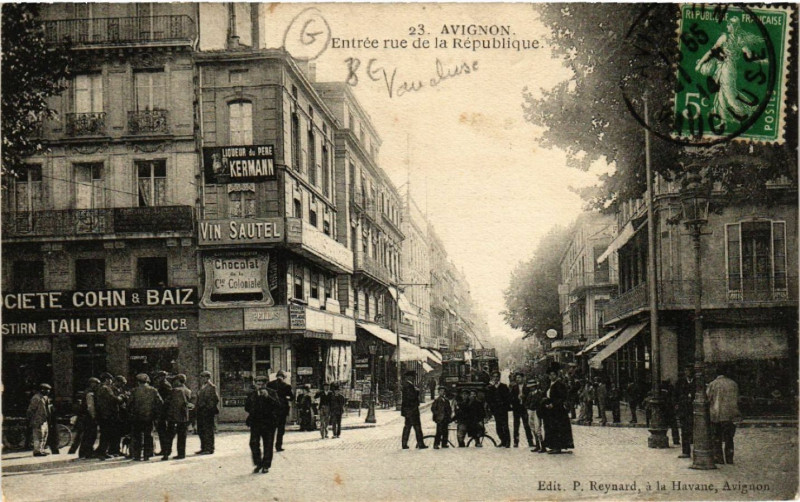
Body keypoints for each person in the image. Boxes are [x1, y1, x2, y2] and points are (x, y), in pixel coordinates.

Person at [245, 376, 280, 474]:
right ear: (255, 384)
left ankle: (266, 465)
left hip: (269, 423)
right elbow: (246, 407)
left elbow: (278, 405)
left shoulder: (272, 392)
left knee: (268, 444)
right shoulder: (252, 394)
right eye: (258, 384)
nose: (260, 386)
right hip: (256, 422)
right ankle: (258, 463)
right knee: (253, 443)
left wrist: (268, 397)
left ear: (265, 384)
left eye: (262, 384)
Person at [707, 367, 740, 465]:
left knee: (717, 438)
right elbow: (737, 398)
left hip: (717, 414)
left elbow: (708, 398)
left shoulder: (713, 384)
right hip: (730, 414)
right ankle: (729, 458)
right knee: (729, 438)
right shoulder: (733, 384)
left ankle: (719, 458)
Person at [127, 373, 163, 461]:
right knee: (148, 435)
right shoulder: (153, 390)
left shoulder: (134, 391)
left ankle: (137, 455)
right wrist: (156, 414)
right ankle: (148, 454)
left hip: (136, 417)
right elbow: (160, 402)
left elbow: (129, 404)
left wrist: (131, 413)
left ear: (138, 382)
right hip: (149, 417)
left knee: (137, 436)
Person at [542, 363, 574, 454]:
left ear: (556, 375)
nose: (552, 376)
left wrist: (553, 404)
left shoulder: (559, 385)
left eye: (553, 374)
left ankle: (558, 447)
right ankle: (553, 445)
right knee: (551, 428)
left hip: (558, 411)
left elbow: (562, 397)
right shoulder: (549, 385)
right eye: (550, 375)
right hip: (550, 411)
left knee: (558, 428)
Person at [162, 374, 193, 461]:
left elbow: (168, 403)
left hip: (174, 417)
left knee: (169, 436)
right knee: (182, 436)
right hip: (184, 417)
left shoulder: (175, 390)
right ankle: (181, 454)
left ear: (178, 381)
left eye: (175, 380)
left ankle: (166, 454)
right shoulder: (188, 391)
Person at [94, 373, 121, 460]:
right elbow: (113, 399)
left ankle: (102, 451)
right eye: (110, 379)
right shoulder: (106, 389)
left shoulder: (99, 388)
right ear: (106, 379)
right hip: (107, 414)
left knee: (104, 434)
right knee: (106, 434)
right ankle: (103, 452)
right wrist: (121, 398)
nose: (111, 381)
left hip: (102, 414)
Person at [267, 371, 294, 450]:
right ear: (284, 377)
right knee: (280, 429)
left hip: (272, 411)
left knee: (271, 429)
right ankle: (278, 446)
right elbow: (291, 397)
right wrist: (285, 398)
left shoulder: (270, 384)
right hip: (282, 411)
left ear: (276, 376)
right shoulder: (287, 386)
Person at [400, 370, 427, 449]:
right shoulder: (408, 386)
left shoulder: (407, 385)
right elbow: (411, 397)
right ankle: (420, 444)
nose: (414, 378)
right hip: (412, 410)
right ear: (409, 377)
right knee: (417, 427)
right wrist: (417, 392)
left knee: (408, 427)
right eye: (413, 376)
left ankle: (404, 444)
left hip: (409, 410)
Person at [195, 370, 220, 455]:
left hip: (207, 413)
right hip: (201, 412)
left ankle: (209, 448)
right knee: (201, 430)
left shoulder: (211, 387)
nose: (202, 379)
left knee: (208, 430)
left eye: (203, 377)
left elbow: (215, 399)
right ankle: (203, 447)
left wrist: (208, 408)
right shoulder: (202, 386)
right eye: (201, 377)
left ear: (208, 377)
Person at [485, 371, 512, 447]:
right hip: (496, 409)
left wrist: (505, 405)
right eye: (494, 377)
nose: (496, 378)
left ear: (499, 377)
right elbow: (488, 398)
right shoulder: (490, 387)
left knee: (505, 426)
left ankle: (507, 442)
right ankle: (503, 440)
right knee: (498, 427)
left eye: (497, 376)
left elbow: (507, 398)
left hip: (503, 409)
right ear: (492, 378)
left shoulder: (504, 386)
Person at [674, 366, 695, 459]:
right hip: (684, 410)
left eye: (689, 370)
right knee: (685, 431)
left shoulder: (698, 381)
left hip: (695, 410)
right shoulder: (680, 382)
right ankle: (686, 451)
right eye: (686, 370)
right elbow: (675, 395)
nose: (688, 372)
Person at [509, 372, 534, 448]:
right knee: (516, 425)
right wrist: (516, 398)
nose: (518, 379)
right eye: (516, 378)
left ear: (523, 378)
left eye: (519, 377)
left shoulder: (527, 387)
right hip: (517, 408)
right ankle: (516, 442)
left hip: (524, 408)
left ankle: (530, 441)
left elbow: (530, 397)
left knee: (527, 425)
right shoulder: (514, 387)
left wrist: (524, 397)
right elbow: (511, 398)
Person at [27, 383, 52, 456]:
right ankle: (37, 451)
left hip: (44, 420)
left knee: (44, 436)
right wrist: (31, 420)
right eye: (47, 390)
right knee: (38, 436)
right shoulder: (36, 398)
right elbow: (31, 410)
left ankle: (41, 449)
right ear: (42, 390)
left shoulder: (45, 397)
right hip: (37, 420)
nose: (48, 391)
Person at [78, 378, 100, 459]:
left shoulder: (87, 392)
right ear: (92, 384)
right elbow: (90, 407)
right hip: (89, 417)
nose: (97, 386)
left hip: (85, 417)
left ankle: (84, 452)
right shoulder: (90, 393)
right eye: (96, 384)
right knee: (90, 435)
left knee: (87, 435)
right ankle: (87, 452)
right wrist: (94, 417)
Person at [153, 371, 172, 456]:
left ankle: (165, 450)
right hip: (163, 411)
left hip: (163, 412)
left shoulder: (165, 385)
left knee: (162, 431)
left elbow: (166, 400)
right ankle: (165, 449)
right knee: (162, 431)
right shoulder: (165, 385)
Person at [109, 375, 129, 457]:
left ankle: (116, 449)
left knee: (118, 433)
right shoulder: (112, 389)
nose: (123, 385)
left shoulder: (119, 389)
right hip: (114, 413)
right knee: (114, 433)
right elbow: (115, 400)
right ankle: (113, 450)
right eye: (122, 383)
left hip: (120, 413)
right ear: (117, 382)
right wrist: (122, 397)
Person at [525, 380, 546, 453]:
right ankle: (538, 445)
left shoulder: (539, 394)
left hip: (537, 411)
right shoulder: (530, 394)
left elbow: (542, 403)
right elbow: (526, 403)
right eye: (530, 387)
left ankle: (542, 446)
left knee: (538, 429)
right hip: (530, 411)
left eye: (532, 387)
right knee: (532, 428)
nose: (531, 388)